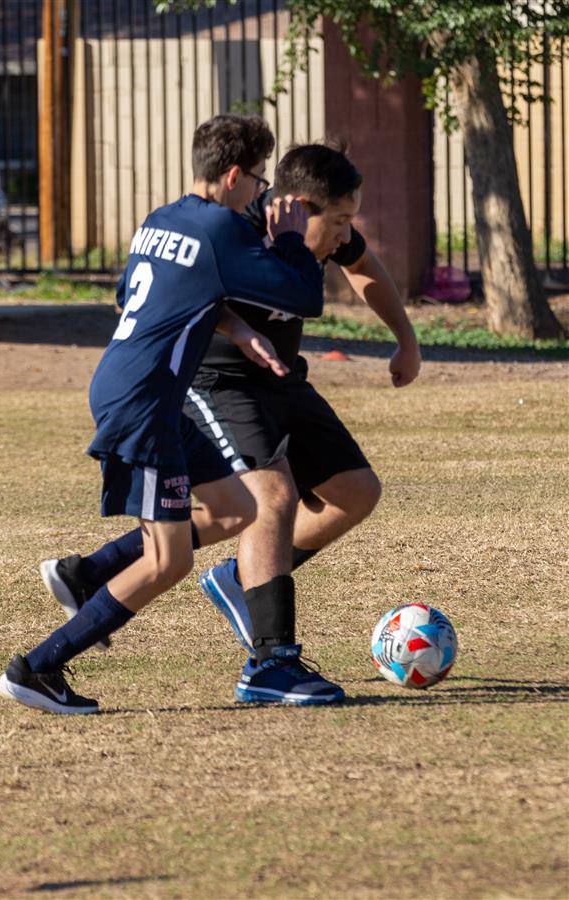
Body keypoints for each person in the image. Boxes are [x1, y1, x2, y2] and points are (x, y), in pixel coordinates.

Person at [34, 142, 420, 707]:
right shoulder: (233, 227)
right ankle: (272, 662)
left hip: (282, 378)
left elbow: (362, 264)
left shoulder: (331, 234)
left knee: (355, 492)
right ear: (296, 207)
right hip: (217, 382)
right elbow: (177, 290)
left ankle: (230, 578)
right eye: (337, 221)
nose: (344, 235)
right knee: (272, 499)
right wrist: (238, 328)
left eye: (349, 221)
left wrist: (405, 340)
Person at [0, 114, 328, 715]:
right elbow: (305, 296)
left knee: (236, 509)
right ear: (232, 176)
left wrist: (236, 326)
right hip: (146, 399)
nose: (262, 192)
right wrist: (294, 238)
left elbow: (138, 294)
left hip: (140, 388)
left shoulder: (163, 218)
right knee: (168, 560)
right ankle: (37, 668)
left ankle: (89, 576)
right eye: (257, 179)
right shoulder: (226, 228)